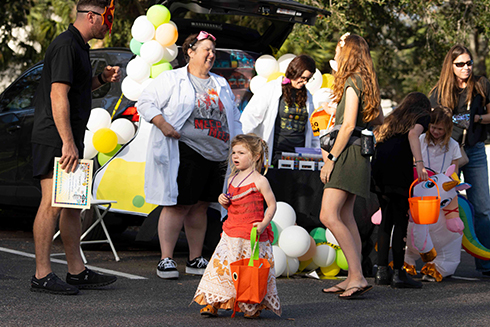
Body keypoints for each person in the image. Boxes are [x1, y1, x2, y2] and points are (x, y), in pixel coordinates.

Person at [30, 0, 120, 295]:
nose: (108, 24)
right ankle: (41, 275)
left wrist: (101, 79)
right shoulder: (67, 44)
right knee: (53, 203)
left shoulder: (80, 46)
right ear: (91, 17)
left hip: (69, 136)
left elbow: (78, 88)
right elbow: (58, 94)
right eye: (105, 18)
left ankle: (76, 271)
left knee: (71, 204)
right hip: (55, 136)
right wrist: (68, 141)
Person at [137, 31, 242, 279]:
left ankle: (195, 259)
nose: (211, 55)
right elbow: (145, 102)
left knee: (202, 206)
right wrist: (162, 124)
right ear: (191, 52)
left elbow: (234, 117)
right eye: (206, 49)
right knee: (179, 205)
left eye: (214, 51)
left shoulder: (221, 83)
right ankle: (166, 259)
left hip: (217, 154)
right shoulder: (172, 79)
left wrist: (239, 147)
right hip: (187, 150)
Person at [319, 33, 383, 299]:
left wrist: (331, 159)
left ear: (347, 54)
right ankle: (354, 276)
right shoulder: (368, 82)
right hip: (360, 152)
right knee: (346, 216)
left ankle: (356, 276)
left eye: (338, 49)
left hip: (347, 153)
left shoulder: (352, 81)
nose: (336, 54)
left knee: (328, 215)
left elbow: (347, 126)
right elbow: (379, 121)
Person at [193, 134, 281, 318]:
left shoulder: (260, 180)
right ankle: (213, 302)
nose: (235, 156)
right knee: (221, 268)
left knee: (248, 272)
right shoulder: (232, 178)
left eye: (241, 152)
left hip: (250, 237)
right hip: (231, 233)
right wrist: (222, 200)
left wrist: (264, 223)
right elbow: (232, 202)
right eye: (234, 152)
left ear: (256, 156)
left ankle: (251, 305)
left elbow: (272, 204)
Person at [429, 44, 490, 276]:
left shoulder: (481, 85)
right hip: (447, 154)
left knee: (483, 208)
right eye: (461, 64)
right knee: (443, 207)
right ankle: (442, 261)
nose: (466, 68)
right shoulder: (439, 91)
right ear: (451, 66)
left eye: (469, 63)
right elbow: (431, 122)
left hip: (473, 152)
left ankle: (485, 263)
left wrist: (477, 118)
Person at [371, 92, 431, 288]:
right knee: (400, 221)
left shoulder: (393, 118)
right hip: (398, 171)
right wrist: (419, 164)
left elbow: (377, 135)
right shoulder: (421, 116)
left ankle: (381, 271)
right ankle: (398, 273)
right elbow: (414, 134)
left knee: (386, 221)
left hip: (380, 168)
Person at [404, 106, 463, 282]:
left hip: (442, 195)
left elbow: (454, 172)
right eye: (433, 127)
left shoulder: (453, 145)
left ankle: (439, 265)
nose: (436, 132)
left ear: (447, 129)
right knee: (413, 228)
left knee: (446, 230)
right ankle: (408, 261)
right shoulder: (421, 139)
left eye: (440, 129)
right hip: (421, 190)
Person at [240, 55, 319, 165]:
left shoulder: (308, 95)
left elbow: (312, 125)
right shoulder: (271, 88)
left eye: (308, 79)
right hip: (276, 151)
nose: (304, 82)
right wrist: (240, 144)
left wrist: (316, 149)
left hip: (300, 154)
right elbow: (250, 117)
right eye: (302, 77)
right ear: (294, 71)